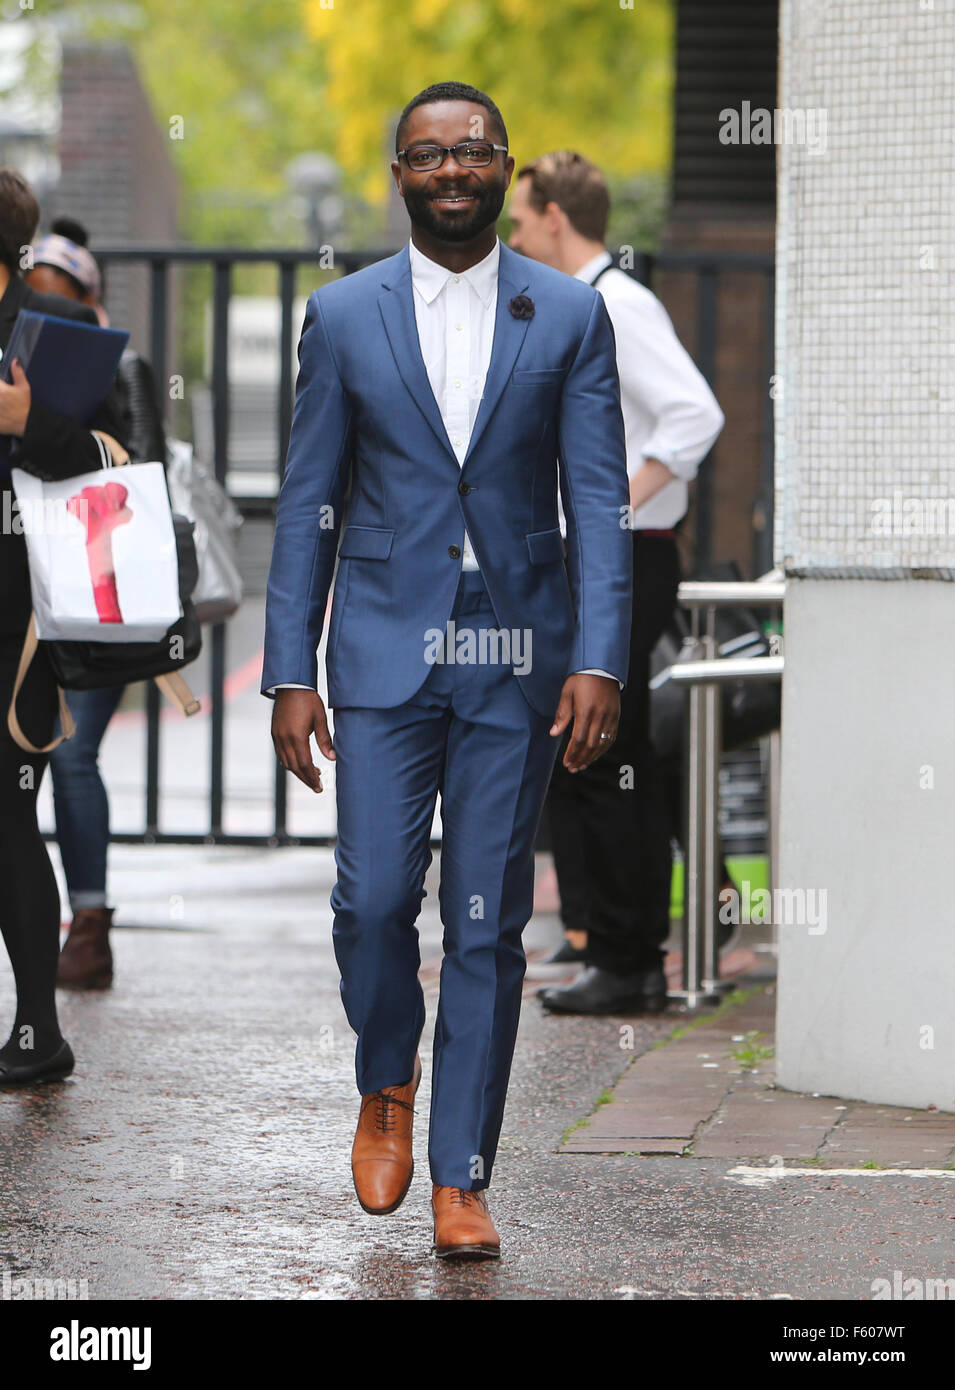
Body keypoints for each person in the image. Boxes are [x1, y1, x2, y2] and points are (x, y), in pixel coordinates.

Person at [262, 83, 631, 1258]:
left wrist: (600, 657)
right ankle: (386, 1079)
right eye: (430, 153)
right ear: (400, 174)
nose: (455, 168)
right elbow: (309, 502)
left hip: (515, 650)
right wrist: (287, 668)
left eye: (474, 150)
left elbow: (599, 507)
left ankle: (463, 1173)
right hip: (380, 640)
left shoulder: (569, 316)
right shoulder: (345, 314)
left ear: (503, 166)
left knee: (485, 920)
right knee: (372, 902)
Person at [508, 151, 725, 1015]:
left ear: (556, 216)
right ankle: (605, 942)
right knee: (586, 751)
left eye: (521, 220)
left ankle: (631, 962)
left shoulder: (614, 304)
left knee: (612, 751)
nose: (514, 236)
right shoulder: (583, 302)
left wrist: (606, 511)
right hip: (606, 556)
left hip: (625, 557)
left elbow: (695, 413)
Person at [0, 170, 127, 1084]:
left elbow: (123, 465)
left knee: (7, 816)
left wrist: (32, 422)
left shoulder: (63, 335)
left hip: (23, 627)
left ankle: (39, 1031)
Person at [25, 217, 167, 989]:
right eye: (31, 295)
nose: (41, 313)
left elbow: (140, 477)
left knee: (75, 754)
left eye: (59, 298)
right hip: (28, 592)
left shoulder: (125, 368)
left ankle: (90, 924)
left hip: (96, 582)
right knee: (30, 765)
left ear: (88, 301)